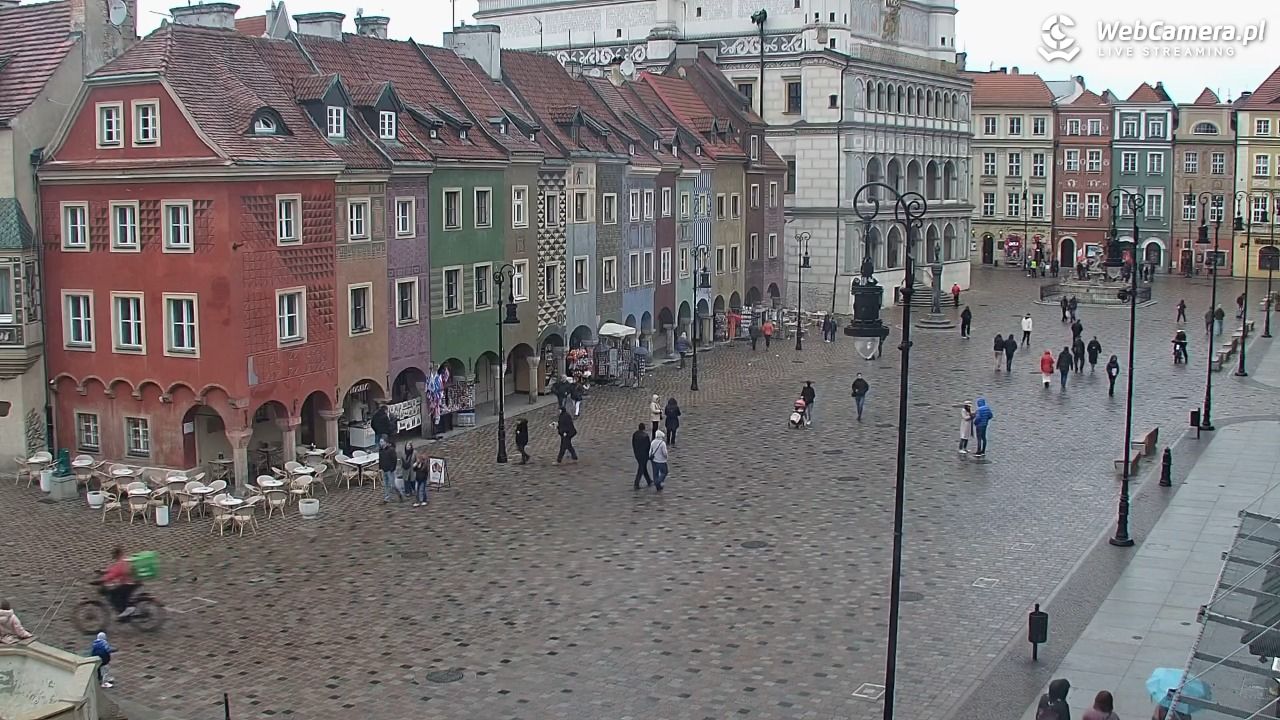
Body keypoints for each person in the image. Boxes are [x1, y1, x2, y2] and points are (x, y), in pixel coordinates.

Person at [100, 547, 138, 619]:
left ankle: (128, 610)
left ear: (118, 554)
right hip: (132, 581)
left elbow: (115, 573)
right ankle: (126, 610)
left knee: (114, 594)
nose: (114, 558)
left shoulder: (122, 562)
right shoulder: (124, 560)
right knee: (119, 592)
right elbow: (113, 569)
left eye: (114, 556)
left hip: (129, 582)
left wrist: (103, 579)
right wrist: (104, 571)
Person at [378, 438, 402, 503]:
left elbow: (394, 459)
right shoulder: (380, 450)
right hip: (384, 469)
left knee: (392, 485)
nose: (381, 443)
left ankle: (399, 494)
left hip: (390, 470)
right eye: (380, 442)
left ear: (385, 442)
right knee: (386, 485)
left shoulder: (391, 450)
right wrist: (380, 468)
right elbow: (380, 460)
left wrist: (392, 468)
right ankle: (386, 498)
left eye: (382, 441)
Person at [632, 423, 653, 489]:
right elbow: (648, 446)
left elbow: (633, 444)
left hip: (637, 454)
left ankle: (649, 480)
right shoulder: (645, 436)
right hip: (644, 455)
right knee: (641, 468)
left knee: (643, 467)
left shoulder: (635, 434)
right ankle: (636, 483)